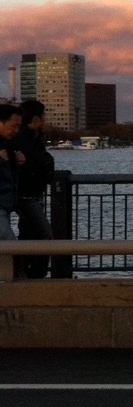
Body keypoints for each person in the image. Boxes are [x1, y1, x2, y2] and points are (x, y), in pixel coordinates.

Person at [17, 99, 56, 278]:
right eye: (43, 116)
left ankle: (23, 274)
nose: (45, 120)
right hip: (27, 196)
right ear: (36, 118)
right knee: (45, 235)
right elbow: (40, 162)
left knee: (27, 235)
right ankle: (34, 276)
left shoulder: (25, 137)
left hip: (28, 194)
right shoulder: (26, 139)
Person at [0, 103, 22, 243]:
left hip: (5, 205)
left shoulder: (8, 144)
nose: (16, 130)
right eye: (14, 126)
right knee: (10, 247)